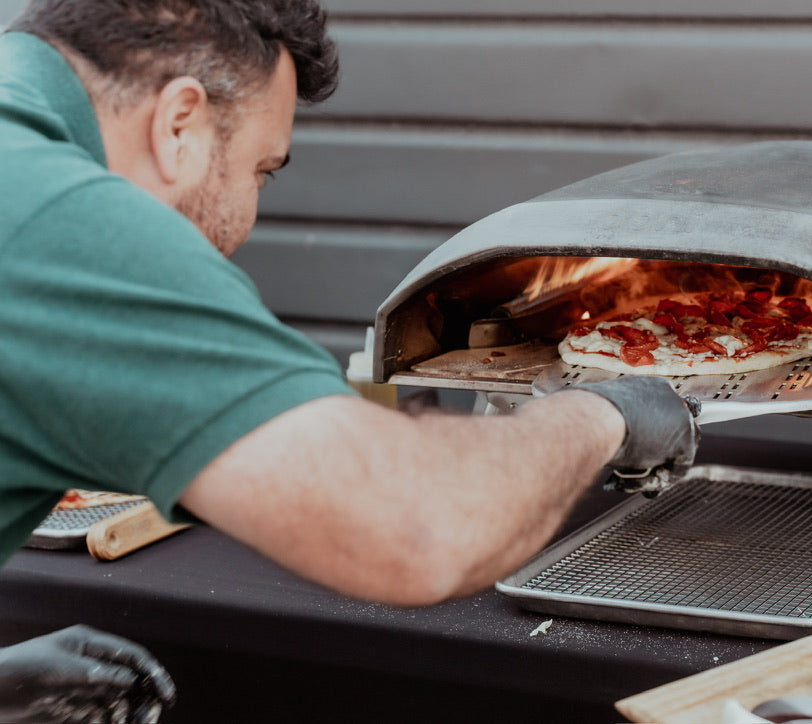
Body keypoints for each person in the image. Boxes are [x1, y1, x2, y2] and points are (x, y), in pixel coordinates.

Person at [0, 0, 699, 719]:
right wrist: (608, 411)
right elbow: (418, 527)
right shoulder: (61, 219)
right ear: (180, 124)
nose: (249, 217)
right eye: (261, 170)